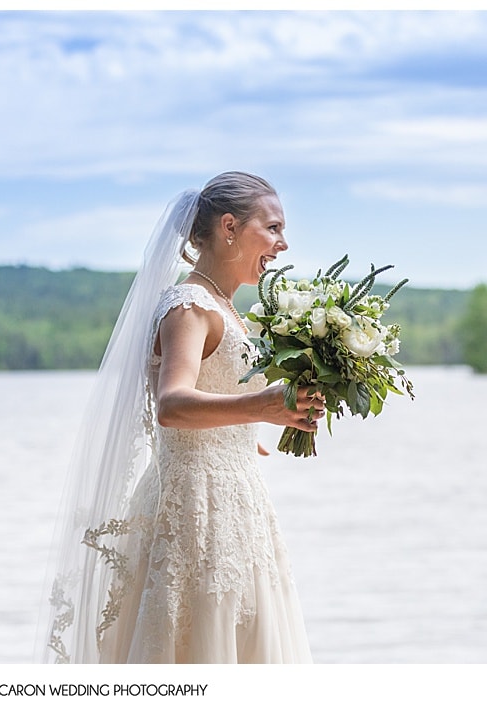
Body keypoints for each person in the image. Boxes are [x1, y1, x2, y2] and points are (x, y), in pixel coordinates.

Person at [36, 172, 322, 663]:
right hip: (196, 509)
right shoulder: (189, 307)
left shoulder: (230, 310)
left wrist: (263, 422)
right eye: (272, 228)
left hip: (239, 506)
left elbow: (213, 398)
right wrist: (262, 406)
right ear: (229, 227)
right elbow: (172, 404)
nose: (283, 243)